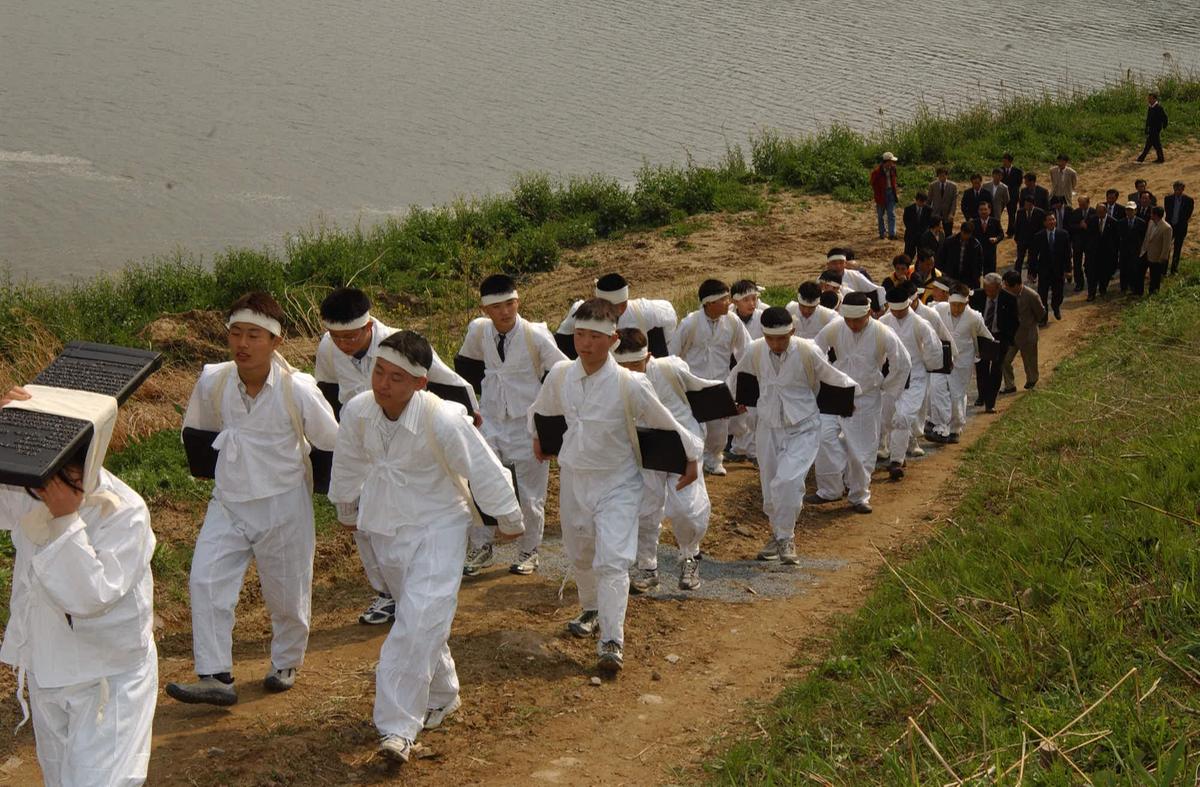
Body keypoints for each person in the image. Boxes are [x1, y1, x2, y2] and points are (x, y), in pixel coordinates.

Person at [328, 330, 523, 764]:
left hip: (439, 527)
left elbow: (484, 469)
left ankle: (396, 730)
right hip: (384, 525)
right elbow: (348, 462)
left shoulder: (443, 418)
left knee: (415, 624)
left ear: (420, 383)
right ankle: (444, 692)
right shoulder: (358, 411)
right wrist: (346, 509)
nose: (382, 384)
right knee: (422, 617)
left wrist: (508, 519)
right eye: (379, 371)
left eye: (396, 377)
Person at [167, 292, 339, 705]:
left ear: (276, 341)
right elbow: (199, 433)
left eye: (254, 336)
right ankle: (215, 675)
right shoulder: (215, 380)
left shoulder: (297, 389)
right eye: (236, 334)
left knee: (286, 593)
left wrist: (346, 498)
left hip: (283, 503)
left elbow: (333, 442)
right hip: (228, 501)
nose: (242, 344)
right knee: (205, 580)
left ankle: (286, 660)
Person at [530, 299, 700, 674]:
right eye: (579, 335)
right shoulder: (560, 375)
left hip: (618, 482)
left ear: (612, 339)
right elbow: (541, 411)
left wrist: (690, 456)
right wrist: (537, 439)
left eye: (594, 336)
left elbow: (665, 421)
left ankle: (611, 639)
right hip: (575, 479)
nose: (585, 344)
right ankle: (590, 607)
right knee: (580, 551)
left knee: (613, 560)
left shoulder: (630, 383)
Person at [0, 386, 157, 786]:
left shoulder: (125, 512)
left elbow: (90, 596)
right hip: (49, 670)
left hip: (108, 676)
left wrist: (67, 519)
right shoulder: (29, 489)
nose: (46, 485)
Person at [315, 287, 478, 623]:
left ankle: (417, 584)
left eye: (351, 336)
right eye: (336, 336)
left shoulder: (399, 345)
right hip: (363, 439)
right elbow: (328, 392)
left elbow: (447, 380)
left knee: (403, 516)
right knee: (365, 520)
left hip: (405, 438)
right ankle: (386, 593)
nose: (343, 344)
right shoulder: (328, 348)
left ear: (369, 325)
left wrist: (470, 414)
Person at [456, 274, 568, 577]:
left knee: (530, 493)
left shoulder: (536, 335)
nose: (505, 312)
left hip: (526, 423)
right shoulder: (479, 333)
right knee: (480, 482)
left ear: (517, 302)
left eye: (510, 304)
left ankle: (529, 550)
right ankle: (482, 546)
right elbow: (466, 366)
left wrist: (549, 426)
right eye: (497, 307)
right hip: (491, 419)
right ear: (484, 310)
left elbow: (561, 374)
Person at [729, 307, 859, 559]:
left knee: (788, 481)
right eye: (771, 338)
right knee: (769, 486)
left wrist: (851, 397)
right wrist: (731, 400)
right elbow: (737, 376)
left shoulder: (807, 350)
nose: (776, 344)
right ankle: (777, 535)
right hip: (768, 426)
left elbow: (833, 376)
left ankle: (786, 538)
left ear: (793, 331)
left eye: (782, 338)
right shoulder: (755, 349)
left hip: (803, 426)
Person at [613, 328, 714, 593]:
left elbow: (700, 388)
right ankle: (647, 566)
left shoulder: (670, 369)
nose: (631, 371)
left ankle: (690, 556)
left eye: (636, 364)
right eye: (623, 366)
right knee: (644, 510)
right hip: (644, 449)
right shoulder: (612, 378)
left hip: (683, 446)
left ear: (647, 357)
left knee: (687, 509)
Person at [812, 294, 910, 514]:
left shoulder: (883, 332)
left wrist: (886, 386)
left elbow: (902, 363)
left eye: (857, 320)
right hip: (837, 392)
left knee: (861, 449)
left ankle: (859, 495)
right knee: (823, 436)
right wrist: (827, 375)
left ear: (868, 313)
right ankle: (830, 489)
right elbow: (815, 351)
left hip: (866, 395)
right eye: (848, 319)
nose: (853, 325)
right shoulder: (836, 327)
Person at [670, 279, 751, 476]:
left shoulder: (732, 321)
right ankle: (690, 460)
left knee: (718, 429)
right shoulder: (690, 323)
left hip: (719, 384)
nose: (728, 302)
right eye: (723, 299)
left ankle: (714, 459)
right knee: (693, 426)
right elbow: (674, 353)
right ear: (709, 303)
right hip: (693, 383)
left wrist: (744, 384)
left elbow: (746, 351)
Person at [878, 283, 943, 481]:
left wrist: (931, 366)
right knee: (887, 418)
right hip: (892, 376)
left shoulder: (920, 323)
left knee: (904, 416)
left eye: (901, 310)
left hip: (915, 374)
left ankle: (896, 461)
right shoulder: (883, 322)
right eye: (894, 310)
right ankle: (897, 448)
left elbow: (933, 348)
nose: (897, 314)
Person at [555, 272, 677, 358]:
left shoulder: (646, 310)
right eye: (610, 307)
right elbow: (561, 340)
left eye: (622, 305)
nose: (617, 311)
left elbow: (669, 319)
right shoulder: (582, 311)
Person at [929, 283, 994, 442]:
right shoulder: (938, 310)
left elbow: (986, 337)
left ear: (966, 303)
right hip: (942, 357)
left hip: (963, 359)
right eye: (954, 305)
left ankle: (956, 428)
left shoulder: (974, 317)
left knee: (956, 394)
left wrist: (992, 351)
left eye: (960, 306)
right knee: (936, 388)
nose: (956, 309)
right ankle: (940, 426)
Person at [727, 280, 767, 463]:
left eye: (754, 299)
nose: (752, 303)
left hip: (758, 369)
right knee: (739, 411)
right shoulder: (727, 318)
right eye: (746, 300)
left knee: (756, 412)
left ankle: (756, 452)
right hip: (735, 369)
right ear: (735, 301)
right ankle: (739, 447)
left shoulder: (763, 316)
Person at [969, 273, 1017, 412]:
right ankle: (982, 395)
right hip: (982, 337)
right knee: (982, 368)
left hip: (999, 338)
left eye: (991, 290)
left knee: (996, 369)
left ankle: (991, 402)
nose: (988, 293)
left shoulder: (1009, 299)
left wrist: (1008, 340)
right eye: (986, 289)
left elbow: (1015, 321)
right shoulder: (977, 296)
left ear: (999, 288)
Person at [1000, 270, 1045, 392]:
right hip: (1011, 335)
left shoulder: (1031, 295)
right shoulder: (1005, 294)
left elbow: (1040, 313)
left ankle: (1032, 381)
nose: (1005, 288)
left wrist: (1029, 323)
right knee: (1004, 360)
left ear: (1016, 285)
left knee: (1030, 361)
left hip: (1027, 334)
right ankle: (1010, 385)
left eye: (1007, 286)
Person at [1029, 211, 1071, 321]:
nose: (1052, 222)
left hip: (1058, 270)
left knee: (1058, 294)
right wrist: (1032, 273)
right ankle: (1044, 317)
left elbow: (1067, 254)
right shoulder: (1038, 236)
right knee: (1042, 295)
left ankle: (1056, 306)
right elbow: (1033, 255)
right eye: (1049, 220)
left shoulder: (1063, 234)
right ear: (1044, 223)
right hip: (1044, 271)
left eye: (1053, 219)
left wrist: (1068, 270)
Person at [1085, 202, 1120, 300]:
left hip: (1107, 254)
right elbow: (1088, 236)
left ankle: (1103, 290)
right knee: (1092, 274)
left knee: (1105, 274)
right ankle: (1091, 293)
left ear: (1106, 211)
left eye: (1101, 212)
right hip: (1093, 253)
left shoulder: (1113, 222)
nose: (1099, 214)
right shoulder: (1092, 220)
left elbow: (1116, 239)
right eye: (1097, 212)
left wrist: (1114, 253)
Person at [937, 221, 984, 289]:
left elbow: (980, 261)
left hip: (968, 277)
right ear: (961, 231)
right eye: (964, 233)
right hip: (951, 275)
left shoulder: (975, 245)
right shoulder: (950, 241)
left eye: (968, 234)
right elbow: (941, 257)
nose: (966, 236)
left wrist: (978, 275)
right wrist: (943, 272)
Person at [1139, 206, 1174, 296]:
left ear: (1155, 215)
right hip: (1146, 252)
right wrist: (1143, 249)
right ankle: (1139, 291)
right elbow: (1147, 237)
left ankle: (1153, 293)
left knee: (1155, 277)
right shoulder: (1151, 222)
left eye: (1152, 213)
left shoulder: (1167, 228)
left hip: (1157, 256)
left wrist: (1162, 258)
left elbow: (1166, 245)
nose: (1150, 215)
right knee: (1140, 272)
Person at [1117, 201, 1148, 295]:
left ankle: (1133, 287)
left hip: (1136, 250)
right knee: (1123, 269)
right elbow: (1118, 236)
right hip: (1124, 250)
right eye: (1127, 210)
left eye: (1131, 210)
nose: (1129, 212)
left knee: (1134, 269)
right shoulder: (1121, 222)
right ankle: (1123, 287)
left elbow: (1143, 237)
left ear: (1135, 211)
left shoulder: (1141, 223)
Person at [1013, 195, 1046, 278]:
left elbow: (1042, 227)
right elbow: (1017, 226)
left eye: (1028, 204)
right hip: (1022, 240)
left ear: (1032, 204)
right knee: (1019, 259)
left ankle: (1032, 275)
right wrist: (1016, 238)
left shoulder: (1040, 213)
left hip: (1034, 240)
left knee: (1033, 259)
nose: (1026, 206)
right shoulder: (1020, 212)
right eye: (1025, 204)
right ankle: (1016, 276)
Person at [1164, 181, 1193, 274]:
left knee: (1177, 248)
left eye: (1180, 189)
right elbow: (1168, 212)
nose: (1177, 191)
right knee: (1166, 248)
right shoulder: (1168, 199)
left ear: (1183, 189)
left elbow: (1188, 214)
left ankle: (1174, 269)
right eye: (1176, 189)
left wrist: (1181, 223)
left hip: (1181, 227)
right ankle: (1163, 269)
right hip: (1170, 227)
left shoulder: (1188, 200)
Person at [870, 152, 900, 240]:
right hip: (881, 195)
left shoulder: (893, 169)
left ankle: (892, 234)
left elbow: (894, 180)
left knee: (891, 214)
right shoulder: (876, 172)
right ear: (887, 162)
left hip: (891, 193)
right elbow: (873, 183)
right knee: (880, 215)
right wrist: (878, 193)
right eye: (891, 161)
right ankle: (882, 233)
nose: (893, 163)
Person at [1067, 196, 1092, 293]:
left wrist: (1087, 227)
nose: (1081, 206)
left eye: (1083, 204)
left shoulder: (1093, 212)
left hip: (1089, 243)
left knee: (1089, 263)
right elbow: (1071, 226)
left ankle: (1090, 281)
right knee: (1077, 264)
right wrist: (1080, 226)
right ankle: (1079, 283)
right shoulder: (1075, 212)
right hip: (1078, 243)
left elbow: (1095, 227)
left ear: (1088, 202)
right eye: (1079, 204)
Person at [973, 201, 1004, 276]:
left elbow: (1001, 234)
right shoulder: (974, 223)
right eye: (981, 210)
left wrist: (996, 239)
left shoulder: (995, 222)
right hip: (977, 253)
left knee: (991, 276)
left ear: (989, 210)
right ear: (978, 211)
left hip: (990, 253)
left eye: (985, 209)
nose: (983, 211)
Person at [1137, 92, 1168, 163]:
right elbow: (1148, 119)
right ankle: (1160, 159)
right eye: (1148, 98)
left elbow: (1165, 117)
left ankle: (1141, 158)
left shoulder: (1159, 108)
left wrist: (1164, 126)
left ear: (1154, 99)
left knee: (1149, 144)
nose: (1149, 100)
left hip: (1156, 129)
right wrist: (1146, 127)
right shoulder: (1150, 107)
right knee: (1155, 144)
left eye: (1150, 99)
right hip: (1151, 129)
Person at [928, 167, 958, 235]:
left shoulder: (953, 186)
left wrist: (951, 214)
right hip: (935, 213)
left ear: (947, 175)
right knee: (934, 233)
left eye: (943, 175)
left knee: (948, 233)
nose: (942, 177)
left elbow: (954, 202)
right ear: (937, 176)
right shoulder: (932, 185)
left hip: (947, 214)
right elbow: (929, 200)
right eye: (940, 176)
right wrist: (928, 213)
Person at [902, 192, 933, 259]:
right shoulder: (908, 209)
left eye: (924, 202)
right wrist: (913, 230)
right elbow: (906, 221)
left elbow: (929, 223)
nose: (922, 203)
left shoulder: (928, 210)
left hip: (922, 236)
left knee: (922, 256)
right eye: (920, 201)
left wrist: (922, 232)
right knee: (908, 255)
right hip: (911, 236)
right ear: (916, 200)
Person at [1000, 154, 1024, 236]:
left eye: (1005, 161)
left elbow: (1019, 183)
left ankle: (1011, 231)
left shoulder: (1018, 171)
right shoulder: (1000, 170)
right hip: (1001, 196)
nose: (1003, 163)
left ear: (1010, 161)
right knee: (997, 213)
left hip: (1013, 196)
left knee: (1011, 214)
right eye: (1003, 161)